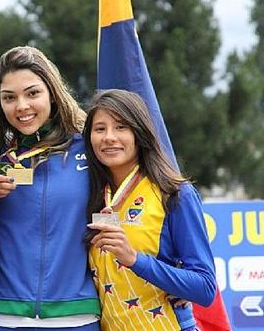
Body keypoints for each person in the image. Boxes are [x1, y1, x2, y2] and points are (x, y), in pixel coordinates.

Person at [0, 46, 100, 330]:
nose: (21, 106)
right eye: (9, 97)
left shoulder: (92, 149)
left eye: (32, 93)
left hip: (77, 317)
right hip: (2, 317)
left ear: (53, 94)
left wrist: (169, 264)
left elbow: (139, 200)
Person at [83, 89, 216, 331]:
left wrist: (134, 259)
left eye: (121, 127)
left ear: (139, 132)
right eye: (100, 129)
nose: (109, 137)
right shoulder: (91, 195)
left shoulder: (174, 193)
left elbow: (205, 288)